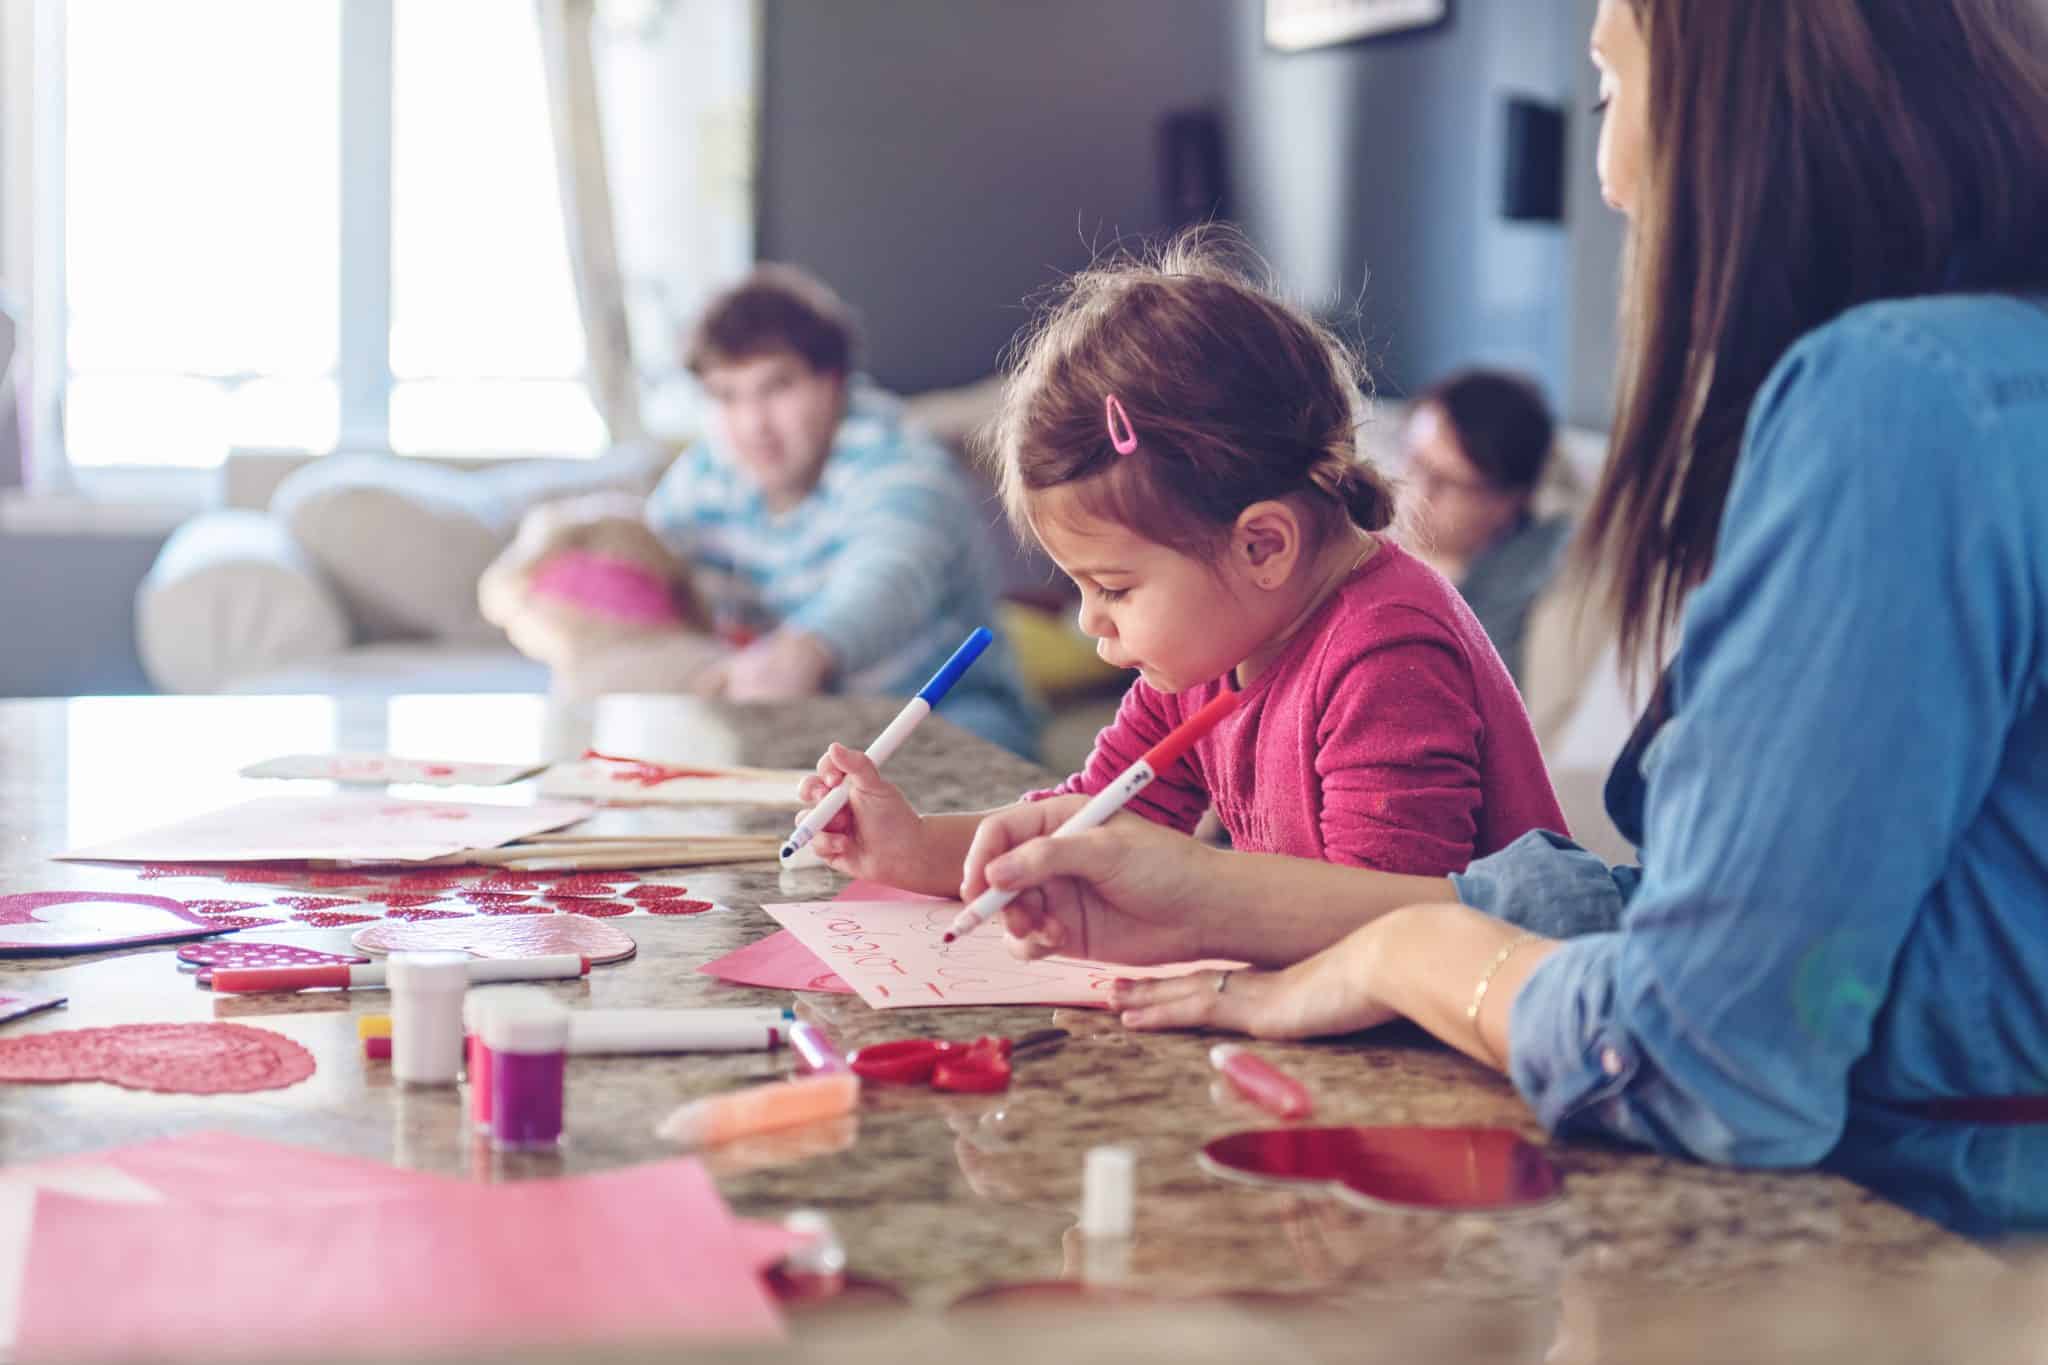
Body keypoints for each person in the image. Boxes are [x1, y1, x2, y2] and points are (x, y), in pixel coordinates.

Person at [954, 0, 2048, 1239]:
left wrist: (1399, 959)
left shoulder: (1896, 407)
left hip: (1922, 1246)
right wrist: (1215, 902)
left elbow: (1706, 1054)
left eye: (1606, 93)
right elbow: (1692, 925)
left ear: (1747, 107)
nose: (1612, 176)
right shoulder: (1990, 381)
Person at [793, 234, 1566, 896]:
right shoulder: (1215, 642)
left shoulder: (1388, 653)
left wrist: (1199, 940)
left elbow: (1390, 924)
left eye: (1115, 587)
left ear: (1262, 545)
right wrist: (911, 846)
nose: (1091, 619)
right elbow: (1095, 819)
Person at [646, 264, 1038, 757]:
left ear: (832, 383)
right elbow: (646, 561)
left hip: (946, 711)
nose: (753, 424)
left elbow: (889, 577)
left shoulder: (902, 462)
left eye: (777, 387)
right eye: (727, 395)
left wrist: (807, 651)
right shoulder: (702, 477)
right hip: (800, 726)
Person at [1398, 369, 1571, 687]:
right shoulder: (1362, 539)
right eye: (1415, 462)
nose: (1419, 490)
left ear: (1508, 499)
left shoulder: (1522, 573)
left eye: (1446, 482)